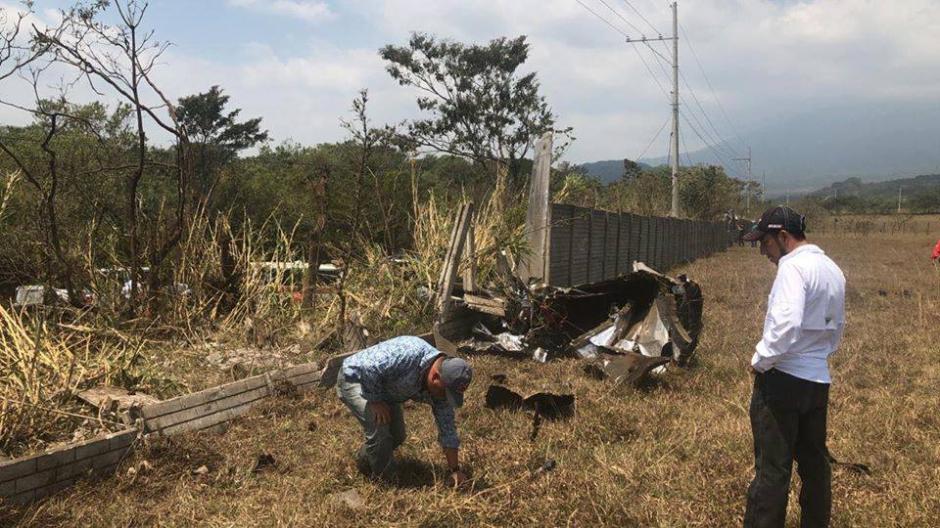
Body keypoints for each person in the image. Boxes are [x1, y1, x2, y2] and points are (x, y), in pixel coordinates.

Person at [741, 206, 846, 528]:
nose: (763, 251)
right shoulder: (832, 269)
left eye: (766, 242)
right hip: (817, 381)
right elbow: (836, 326)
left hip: (783, 380)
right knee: (814, 465)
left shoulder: (793, 267)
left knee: (773, 469)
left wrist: (760, 361)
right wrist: (817, 356)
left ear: (783, 237)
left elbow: (785, 324)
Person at [336, 335, 473, 486]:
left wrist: (455, 470)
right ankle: (387, 483)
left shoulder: (443, 387)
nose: (444, 398)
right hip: (356, 378)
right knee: (380, 427)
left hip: (385, 388)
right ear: (435, 377)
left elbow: (448, 428)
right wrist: (375, 400)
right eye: (444, 393)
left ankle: (365, 460)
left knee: (397, 435)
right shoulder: (408, 353)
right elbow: (368, 368)